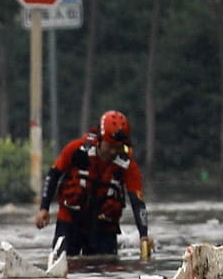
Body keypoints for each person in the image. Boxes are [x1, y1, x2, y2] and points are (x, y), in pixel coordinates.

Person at [35, 109, 153, 260]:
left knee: (106, 267)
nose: (113, 152)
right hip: (70, 221)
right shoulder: (76, 150)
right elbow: (53, 175)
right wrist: (44, 208)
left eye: (118, 147)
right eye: (109, 146)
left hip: (104, 227)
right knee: (64, 261)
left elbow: (138, 202)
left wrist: (144, 235)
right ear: (100, 139)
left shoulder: (127, 165)